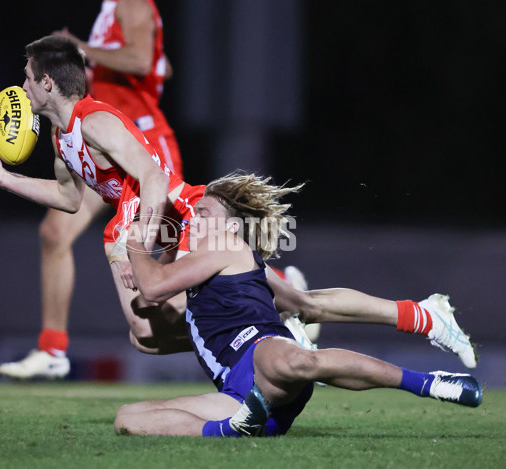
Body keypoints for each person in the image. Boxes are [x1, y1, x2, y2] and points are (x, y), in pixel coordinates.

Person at [0, 36, 476, 380]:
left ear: (48, 82)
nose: (23, 84)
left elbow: (151, 175)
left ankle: (423, 317)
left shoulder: (95, 119)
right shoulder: (61, 139)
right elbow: (69, 199)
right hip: (142, 225)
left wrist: (139, 238)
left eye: (27, 76)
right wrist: (1, 176)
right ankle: (276, 328)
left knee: (298, 305)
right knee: (144, 334)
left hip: (180, 214)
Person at [114, 173, 482, 437]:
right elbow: (150, 299)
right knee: (128, 418)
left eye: (204, 213)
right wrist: (148, 273)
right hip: (241, 396)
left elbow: (156, 288)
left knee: (292, 358)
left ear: (229, 227)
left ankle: (429, 383)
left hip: (261, 360)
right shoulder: (207, 265)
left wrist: (135, 247)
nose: (194, 218)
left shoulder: (223, 245)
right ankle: (229, 429)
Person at [0, 0, 185, 379]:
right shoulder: (112, 9)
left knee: (175, 271)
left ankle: (275, 292)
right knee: (55, 232)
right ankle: (52, 348)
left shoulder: (132, 3)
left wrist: (80, 48)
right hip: (99, 152)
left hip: (138, 146)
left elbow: (140, 59)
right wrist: (1, 176)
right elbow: (156, 64)